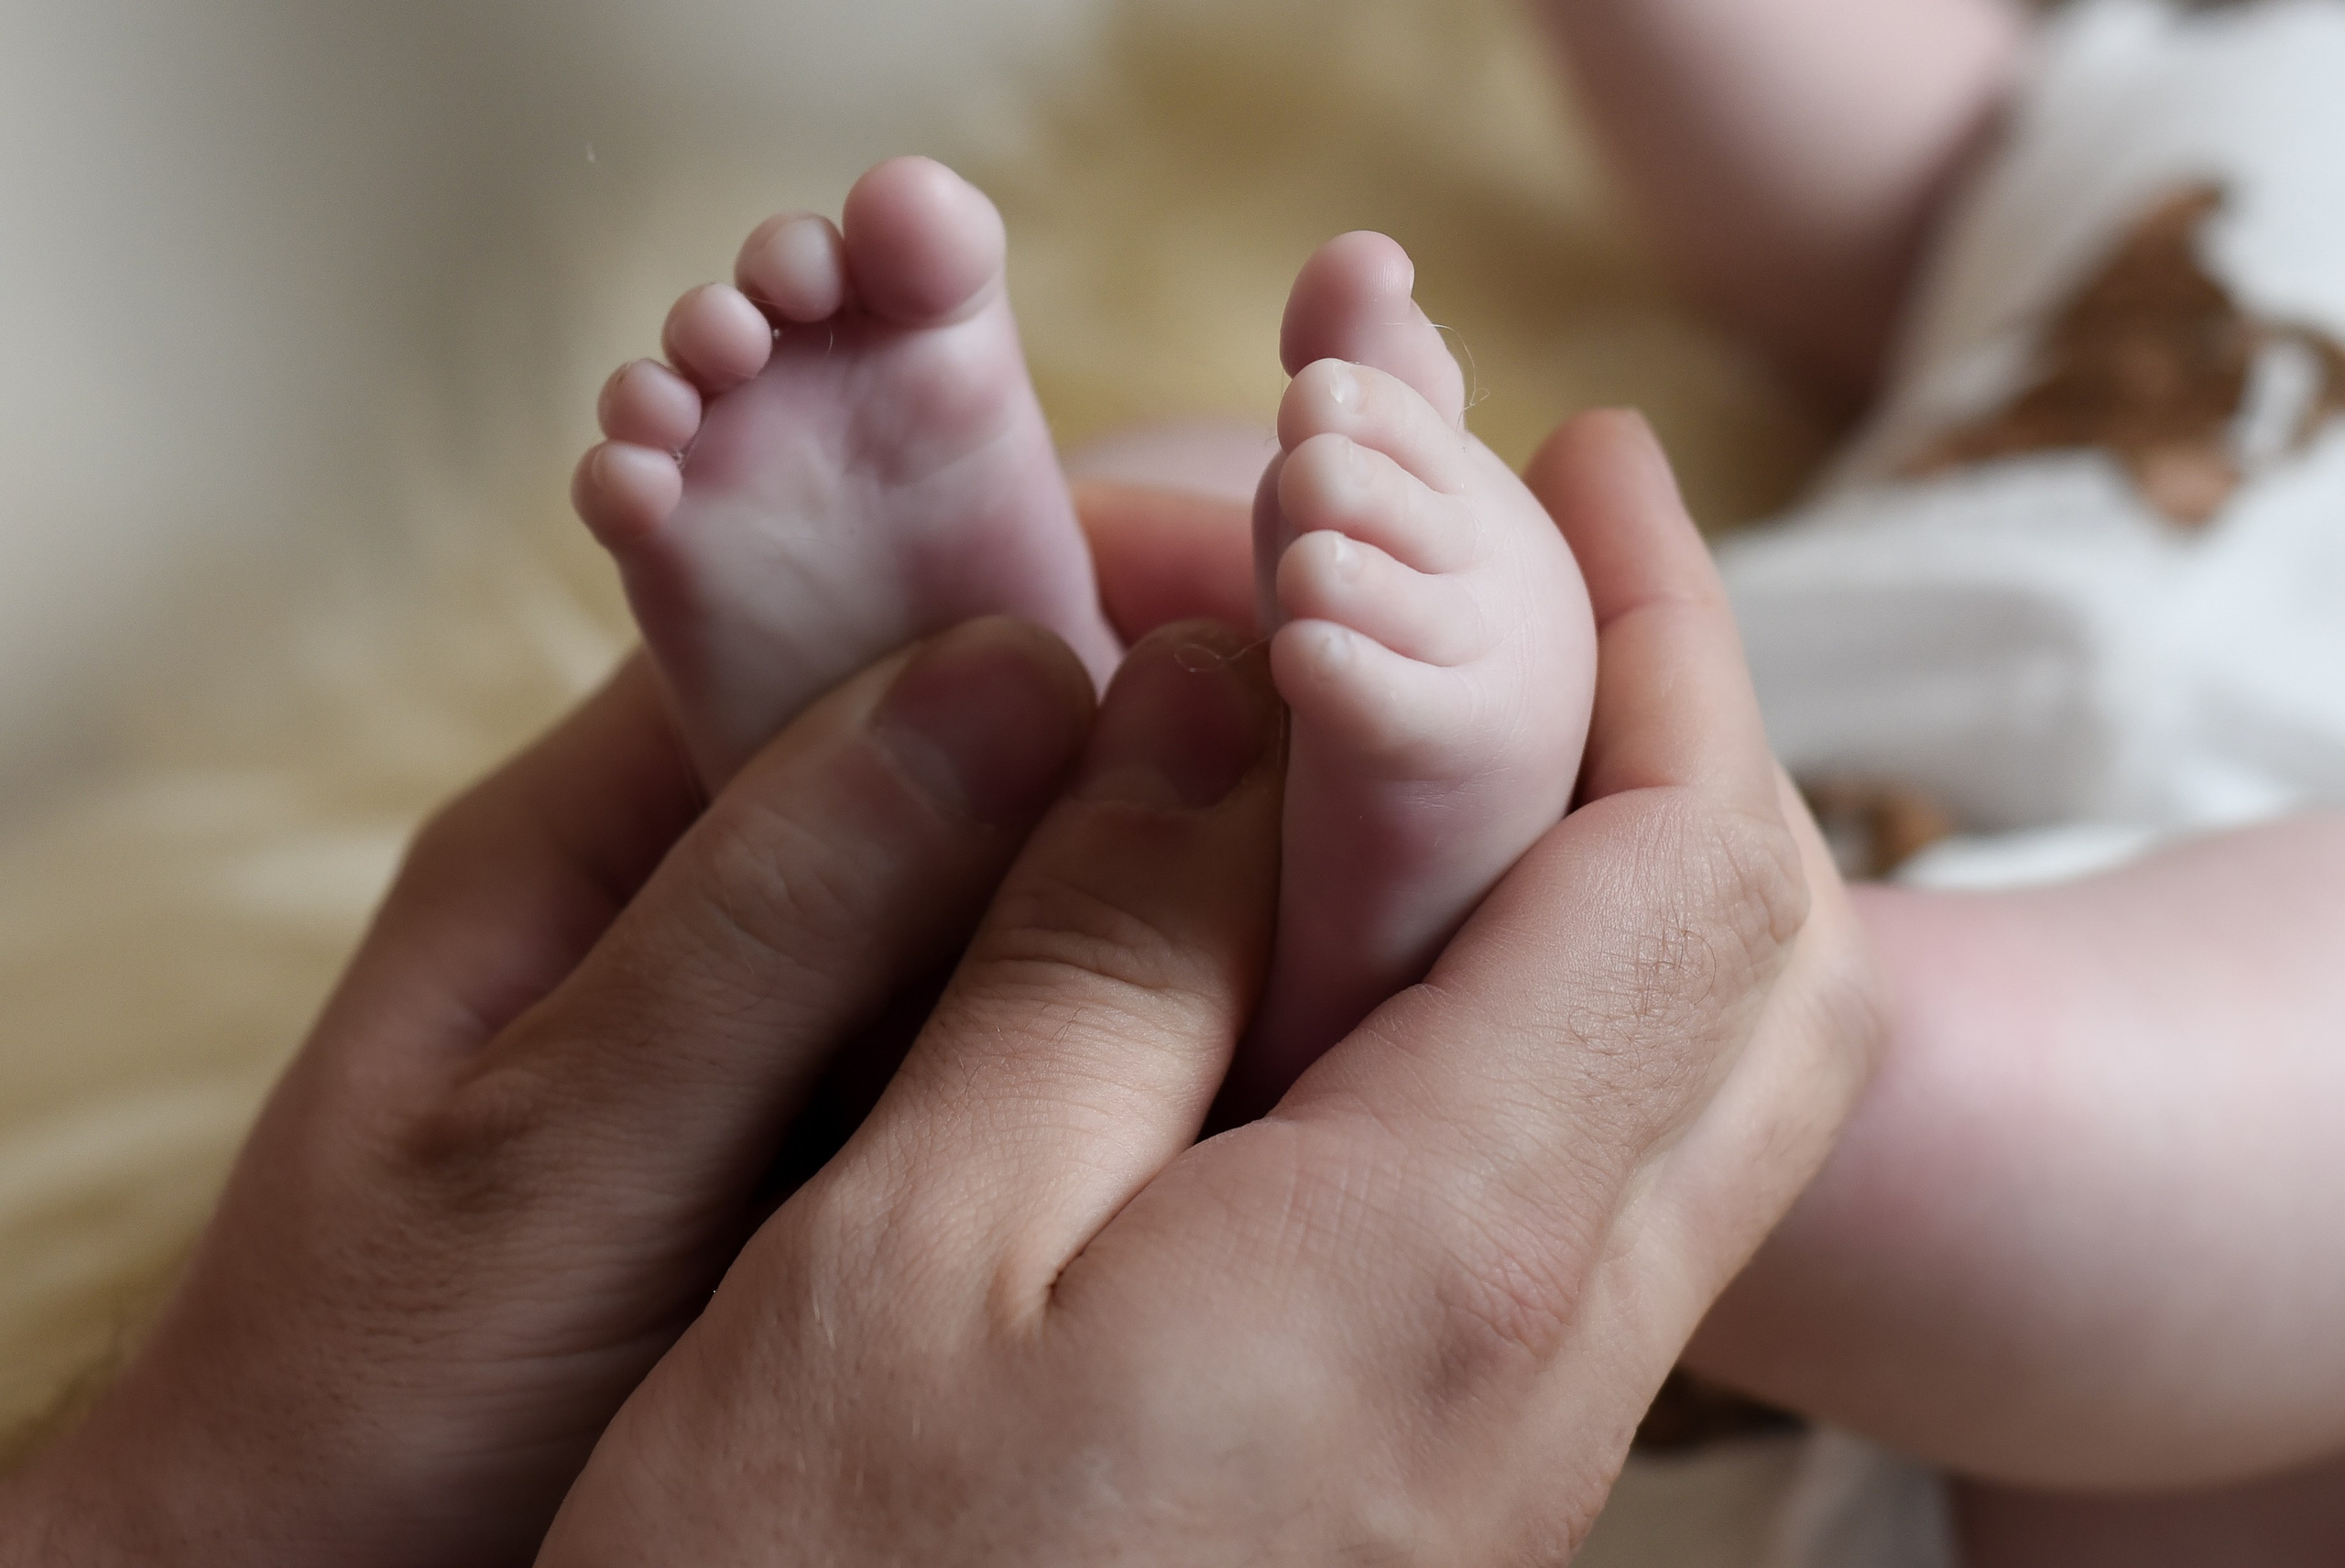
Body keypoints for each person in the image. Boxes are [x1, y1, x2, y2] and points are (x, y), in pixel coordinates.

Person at [559, 0, 2345, 1560]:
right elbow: (1890, 204)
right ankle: (1024, 752)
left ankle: (1601, 1000)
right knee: (1210, 541)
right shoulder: (2201, 51)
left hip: (2133, 1372)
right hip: (1761, 750)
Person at [0, 408, 1878, 1560]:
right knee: (1217, 515)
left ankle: (1366, 843)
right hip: (1948, 641)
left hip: (2010, 825)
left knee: (1944, 1075)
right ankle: (1396, 849)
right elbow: (1861, 177)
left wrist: (180, 1523)